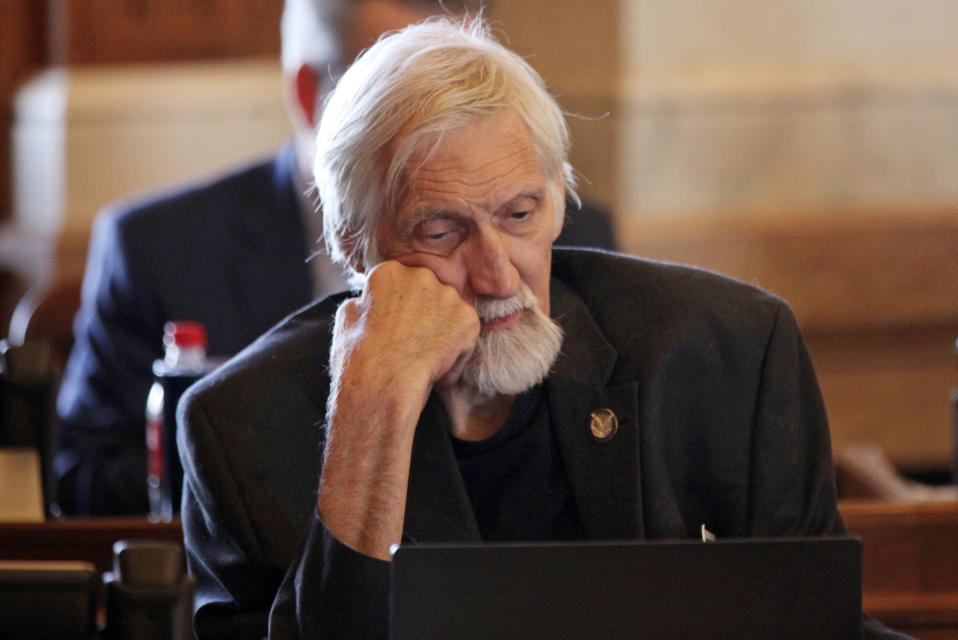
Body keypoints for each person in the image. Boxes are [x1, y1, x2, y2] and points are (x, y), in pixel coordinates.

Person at [177, 16, 909, 640]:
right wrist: (374, 408)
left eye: (520, 216)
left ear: (559, 200)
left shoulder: (731, 356)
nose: (498, 274)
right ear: (352, 244)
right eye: (441, 231)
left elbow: (817, 628)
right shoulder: (241, 429)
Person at [54, 0, 617, 515]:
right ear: (310, 95)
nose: (496, 272)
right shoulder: (161, 249)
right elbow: (82, 481)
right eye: (390, 80)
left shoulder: (585, 242)